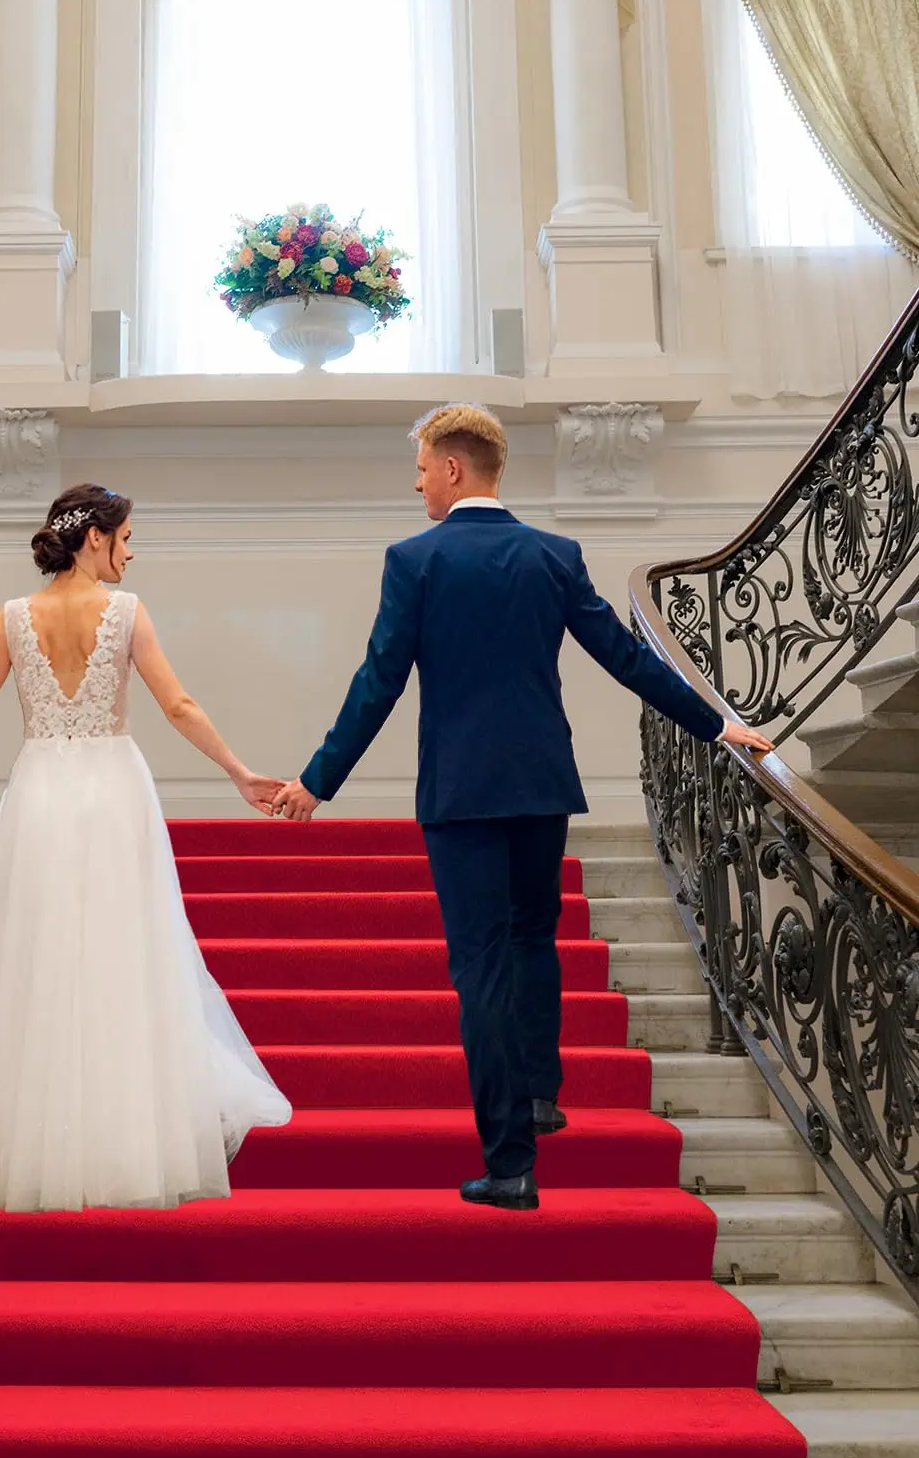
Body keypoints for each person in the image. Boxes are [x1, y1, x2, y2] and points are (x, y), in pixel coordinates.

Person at [273, 404, 772, 1211]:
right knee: (534, 937)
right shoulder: (554, 555)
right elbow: (625, 657)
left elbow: (379, 684)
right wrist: (718, 725)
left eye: (423, 466)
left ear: (454, 469)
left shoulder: (415, 561)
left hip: (463, 794)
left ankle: (509, 1165)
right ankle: (541, 1093)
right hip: (542, 784)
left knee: (480, 968)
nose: (417, 481)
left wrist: (316, 780)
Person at [0, 483, 292, 1212]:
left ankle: (43, 1146)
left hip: (39, 795)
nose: (132, 552)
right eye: (126, 537)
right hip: (110, 791)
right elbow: (178, 705)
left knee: (40, 959)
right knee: (121, 957)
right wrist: (238, 771)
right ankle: (124, 1144)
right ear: (94, 537)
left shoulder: (13, 617)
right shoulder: (125, 613)